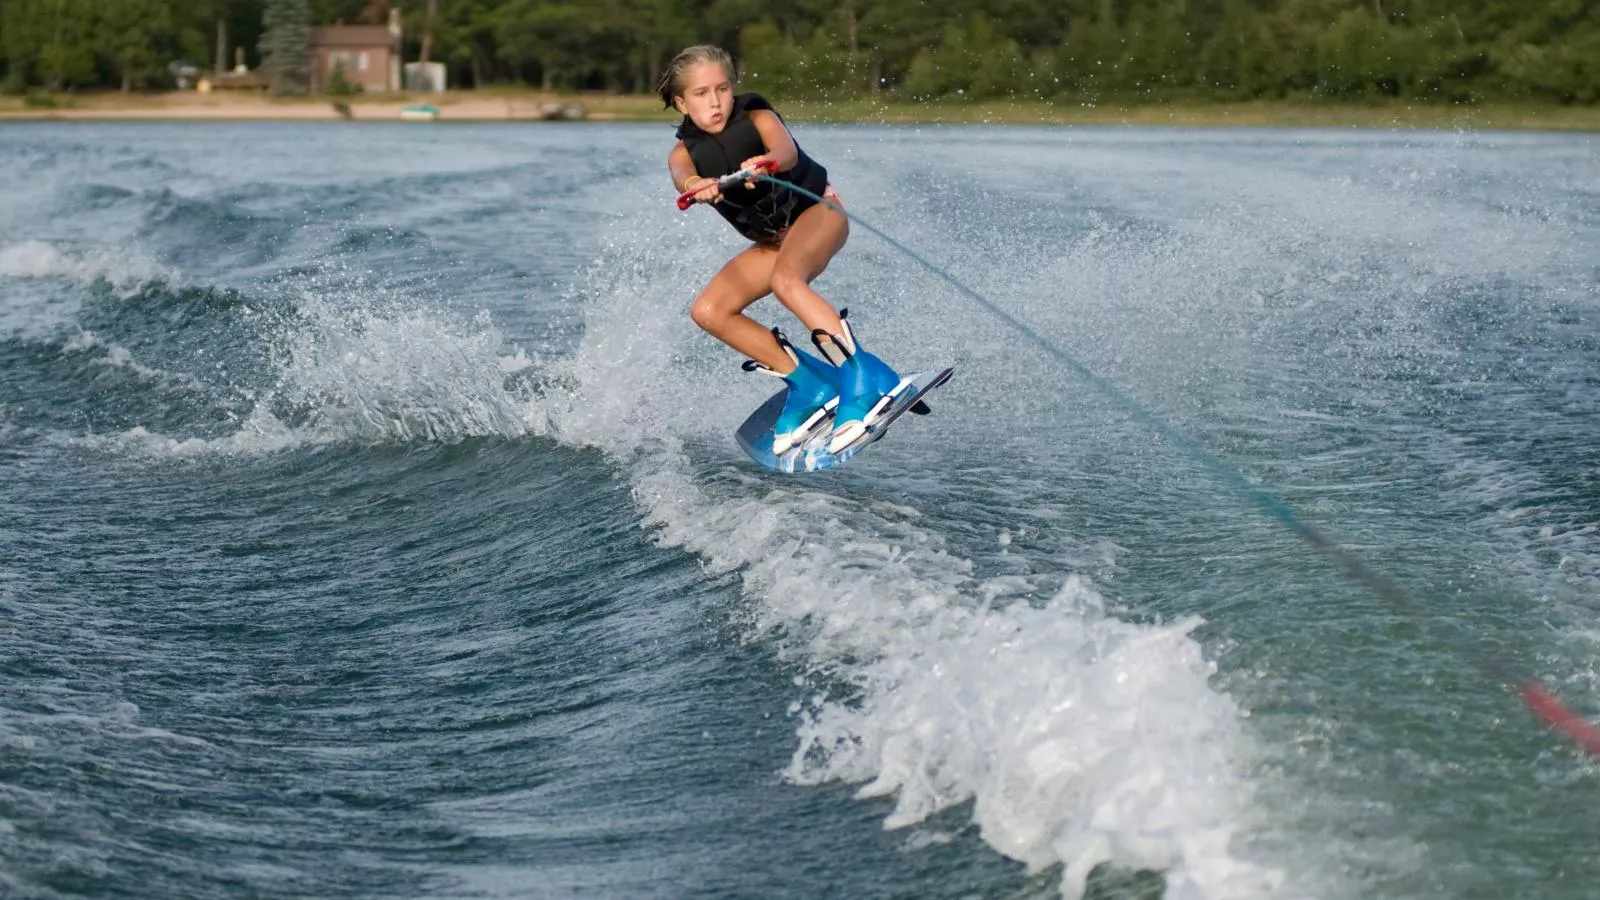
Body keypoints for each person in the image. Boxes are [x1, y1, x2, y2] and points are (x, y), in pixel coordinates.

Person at [659, 44, 901, 455]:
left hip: (820, 213)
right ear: (682, 102)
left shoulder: (757, 116)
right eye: (701, 94)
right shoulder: (682, 154)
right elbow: (683, 177)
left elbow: (785, 151)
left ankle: (861, 377)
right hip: (773, 241)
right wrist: (694, 187)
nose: (715, 101)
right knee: (709, 310)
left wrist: (766, 162)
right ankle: (810, 383)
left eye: (722, 88)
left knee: (786, 281)